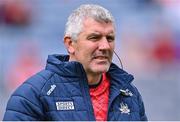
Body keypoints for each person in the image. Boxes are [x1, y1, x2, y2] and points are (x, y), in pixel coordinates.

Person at [3, 4, 147, 121]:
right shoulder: (33, 94)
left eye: (110, 38)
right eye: (94, 38)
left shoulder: (129, 94)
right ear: (70, 44)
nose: (105, 46)